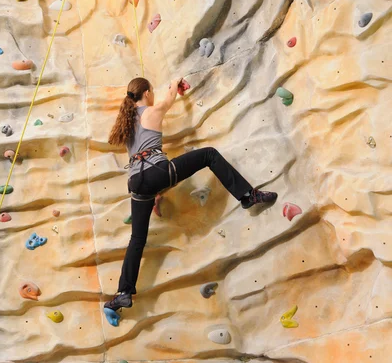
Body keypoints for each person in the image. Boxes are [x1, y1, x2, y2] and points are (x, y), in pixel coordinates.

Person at [104, 77, 277, 311]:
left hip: (136, 183)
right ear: (146, 93)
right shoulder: (152, 111)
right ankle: (248, 196)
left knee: (137, 239)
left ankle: (123, 292)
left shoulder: (126, 123)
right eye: (151, 92)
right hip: (156, 172)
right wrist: (175, 83)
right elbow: (170, 97)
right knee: (209, 155)